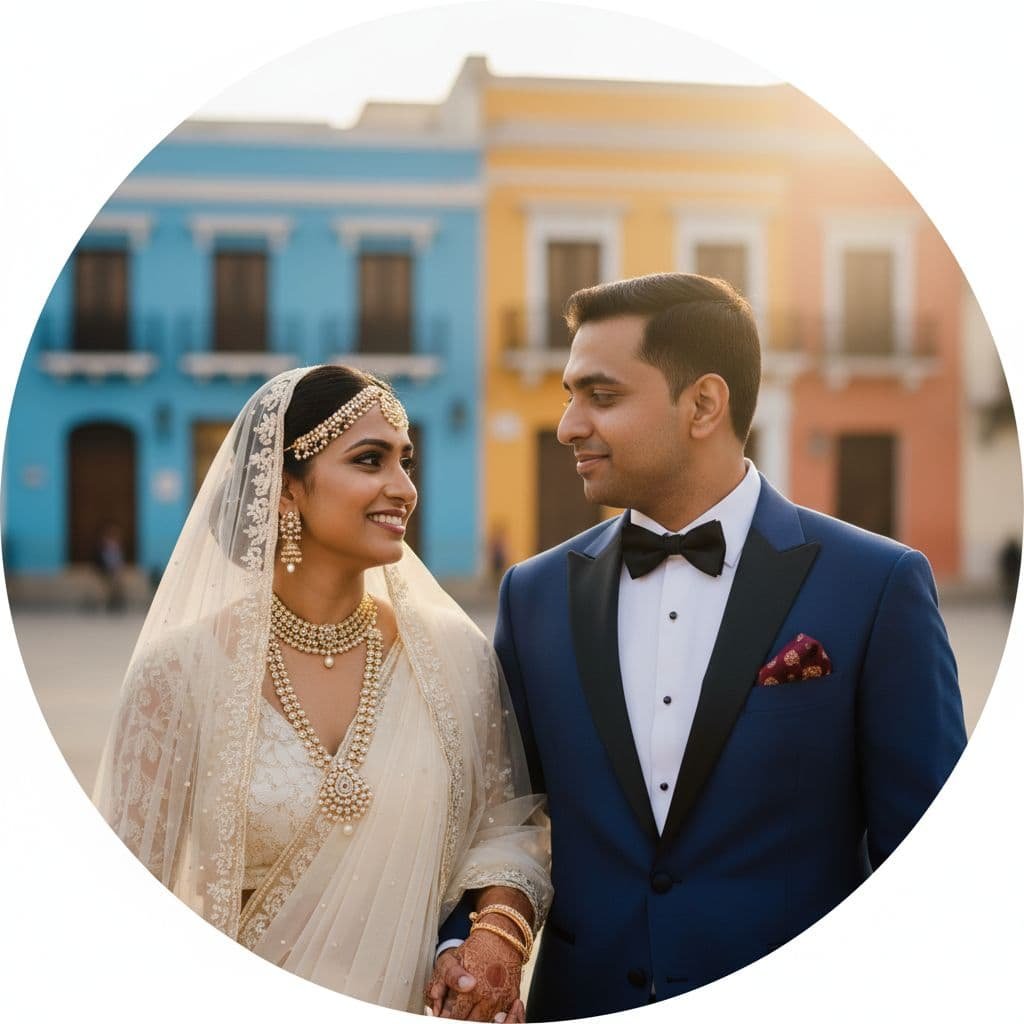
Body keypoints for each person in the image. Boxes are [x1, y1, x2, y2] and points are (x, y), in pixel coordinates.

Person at [459, 273, 967, 1019]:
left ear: (703, 405)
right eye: (571, 395)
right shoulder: (532, 595)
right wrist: (477, 941)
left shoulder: (876, 585)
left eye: (601, 396)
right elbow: (501, 814)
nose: (568, 425)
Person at [93, 365, 551, 1016]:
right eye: (369, 460)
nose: (404, 488)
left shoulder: (455, 658)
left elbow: (505, 830)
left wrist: (493, 936)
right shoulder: (178, 677)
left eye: (405, 462)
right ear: (285, 489)